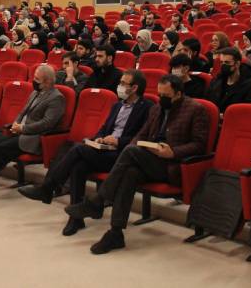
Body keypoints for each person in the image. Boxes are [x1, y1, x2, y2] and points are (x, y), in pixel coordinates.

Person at [65, 74, 209, 254]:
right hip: (150, 158)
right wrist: (135, 145)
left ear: (178, 94)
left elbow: (199, 144)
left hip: (172, 165)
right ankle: (115, 233)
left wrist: (173, 152)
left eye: (166, 96)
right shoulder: (157, 109)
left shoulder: (196, 110)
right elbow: (141, 135)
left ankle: (99, 201)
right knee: (129, 173)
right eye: (159, 94)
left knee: (131, 152)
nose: (161, 99)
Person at [18, 70, 152, 235]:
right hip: (105, 150)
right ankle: (75, 219)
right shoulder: (117, 105)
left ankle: (48, 187)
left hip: (122, 155)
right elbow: (104, 128)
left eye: (124, 83)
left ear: (135, 88)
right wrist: (98, 138)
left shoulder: (147, 108)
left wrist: (118, 141)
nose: (120, 86)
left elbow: (142, 136)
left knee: (78, 149)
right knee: (78, 166)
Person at [0, 65, 65, 183]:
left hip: (34, 138)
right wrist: (16, 123)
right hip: (20, 133)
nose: (34, 81)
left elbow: (47, 123)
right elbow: (23, 112)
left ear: (48, 81)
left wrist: (23, 128)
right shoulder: (36, 92)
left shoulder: (57, 98)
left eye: (37, 79)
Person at [206, 47, 251, 112]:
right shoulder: (216, 80)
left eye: (227, 62)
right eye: (221, 62)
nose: (223, 65)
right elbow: (208, 104)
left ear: (237, 64)